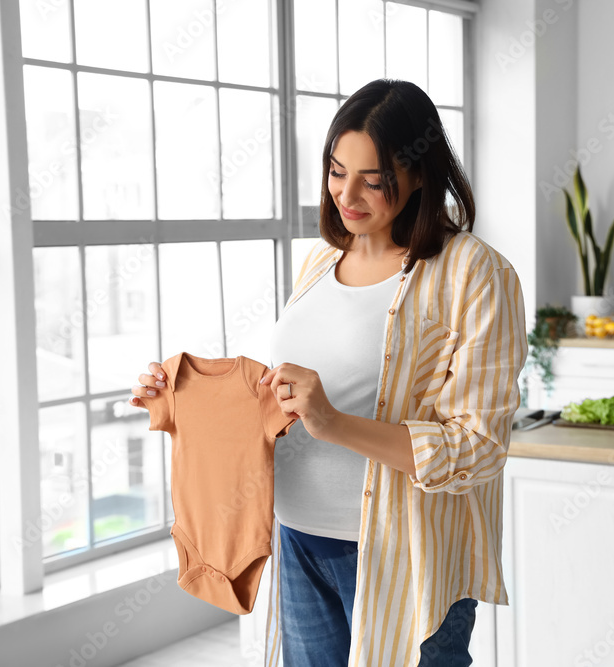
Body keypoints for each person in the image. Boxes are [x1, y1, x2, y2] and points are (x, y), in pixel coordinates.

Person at [129, 78, 527, 666]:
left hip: (400, 551)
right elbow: (289, 397)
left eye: (375, 179)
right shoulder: (320, 262)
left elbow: (478, 449)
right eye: (337, 171)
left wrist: (333, 423)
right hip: (297, 540)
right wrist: (181, 396)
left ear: (420, 175)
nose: (348, 194)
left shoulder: (474, 273)